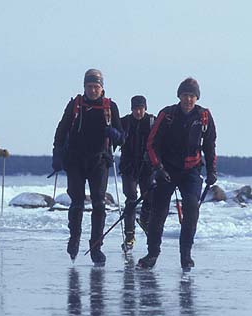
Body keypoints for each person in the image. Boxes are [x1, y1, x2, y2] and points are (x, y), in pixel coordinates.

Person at [137, 78, 217, 269]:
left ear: (196, 98)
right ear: (179, 96)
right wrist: (158, 168)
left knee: (191, 208)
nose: (188, 99)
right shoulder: (167, 115)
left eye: (192, 96)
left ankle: (186, 255)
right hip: (167, 170)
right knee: (159, 212)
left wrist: (212, 170)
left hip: (191, 170)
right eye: (185, 95)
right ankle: (152, 253)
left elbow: (210, 145)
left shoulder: (204, 116)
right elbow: (151, 144)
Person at [52, 69, 124, 265]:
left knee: (99, 204)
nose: (93, 90)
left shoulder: (110, 107)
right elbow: (61, 129)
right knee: (77, 203)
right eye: (89, 87)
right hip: (75, 160)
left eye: (96, 87)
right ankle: (74, 238)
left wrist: (116, 135)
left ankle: (95, 246)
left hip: (99, 161)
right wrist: (57, 154)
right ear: (84, 87)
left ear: (102, 88)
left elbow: (122, 136)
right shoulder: (76, 105)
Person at [119, 95, 155, 251]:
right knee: (131, 198)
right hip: (129, 167)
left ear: (145, 108)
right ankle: (129, 235)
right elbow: (113, 137)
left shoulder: (152, 122)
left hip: (147, 167)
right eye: (135, 109)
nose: (138, 112)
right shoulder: (125, 122)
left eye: (141, 108)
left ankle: (145, 219)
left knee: (150, 196)